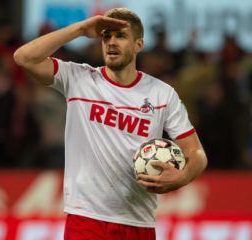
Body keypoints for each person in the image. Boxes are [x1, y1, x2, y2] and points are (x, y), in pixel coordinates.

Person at [14, 7, 207, 240]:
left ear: (139, 45)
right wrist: (81, 29)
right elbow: (23, 57)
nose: (112, 42)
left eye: (121, 36)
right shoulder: (78, 79)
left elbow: (196, 153)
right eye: (107, 36)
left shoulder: (162, 94)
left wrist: (180, 178)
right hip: (86, 220)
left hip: (138, 221)